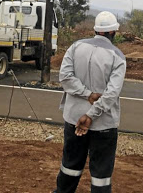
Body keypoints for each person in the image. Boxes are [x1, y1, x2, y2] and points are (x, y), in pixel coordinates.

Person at [53, 11, 126, 193]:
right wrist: (91, 115)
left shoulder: (75, 47)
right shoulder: (118, 57)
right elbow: (111, 94)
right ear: (113, 32)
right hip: (104, 125)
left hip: (73, 119)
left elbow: (65, 77)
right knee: (101, 175)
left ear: (95, 30)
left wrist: (86, 94)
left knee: (69, 165)